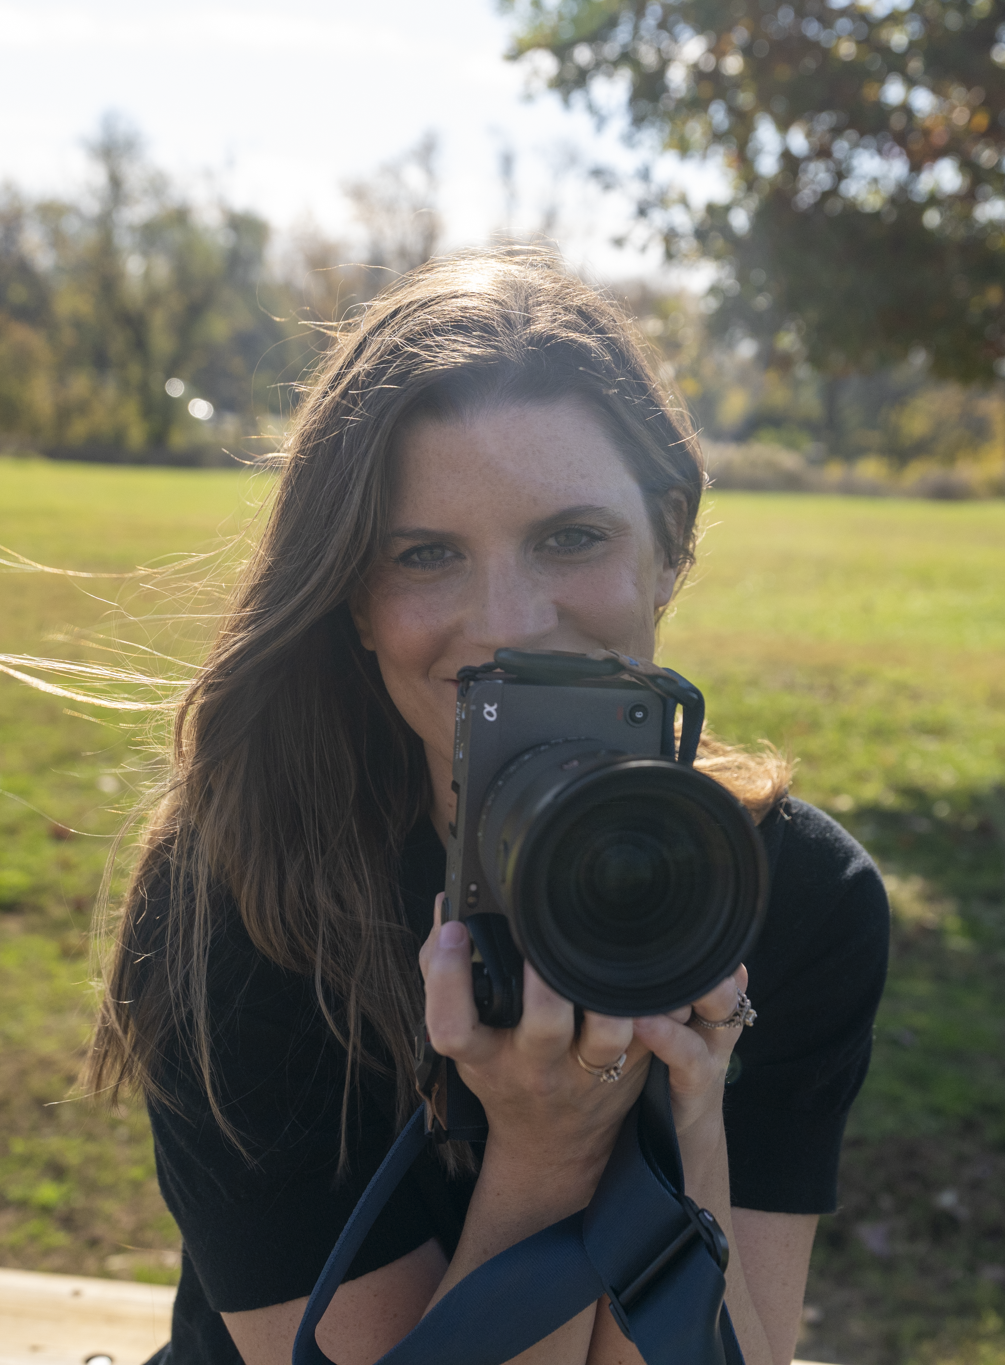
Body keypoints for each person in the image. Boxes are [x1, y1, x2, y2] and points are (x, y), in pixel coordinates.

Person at [90, 248, 890, 1365]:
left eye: (571, 537)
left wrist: (688, 1115)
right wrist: (548, 1152)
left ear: (669, 544)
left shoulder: (795, 894)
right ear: (353, 600)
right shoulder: (243, 892)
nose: (509, 622)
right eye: (425, 555)